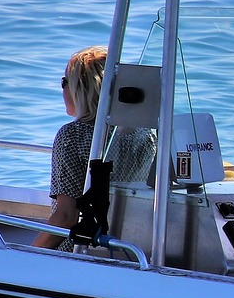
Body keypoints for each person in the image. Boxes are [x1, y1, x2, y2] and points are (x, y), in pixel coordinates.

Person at [36, 45, 153, 249]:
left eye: (65, 82)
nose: (62, 88)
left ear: (80, 88)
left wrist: (27, 254)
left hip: (82, 248)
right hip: (126, 247)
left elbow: (66, 217)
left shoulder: (73, 135)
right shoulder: (146, 133)